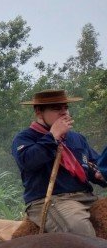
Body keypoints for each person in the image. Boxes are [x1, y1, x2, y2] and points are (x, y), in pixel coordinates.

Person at [12, 89, 105, 236]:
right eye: (56, 109)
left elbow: (94, 165)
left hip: (87, 197)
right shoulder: (25, 138)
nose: (64, 113)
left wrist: (101, 174)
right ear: (38, 111)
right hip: (51, 201)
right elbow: (28, 161)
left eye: (66, 108)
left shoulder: (77, 138)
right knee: (80, 231)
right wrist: (53, 136)